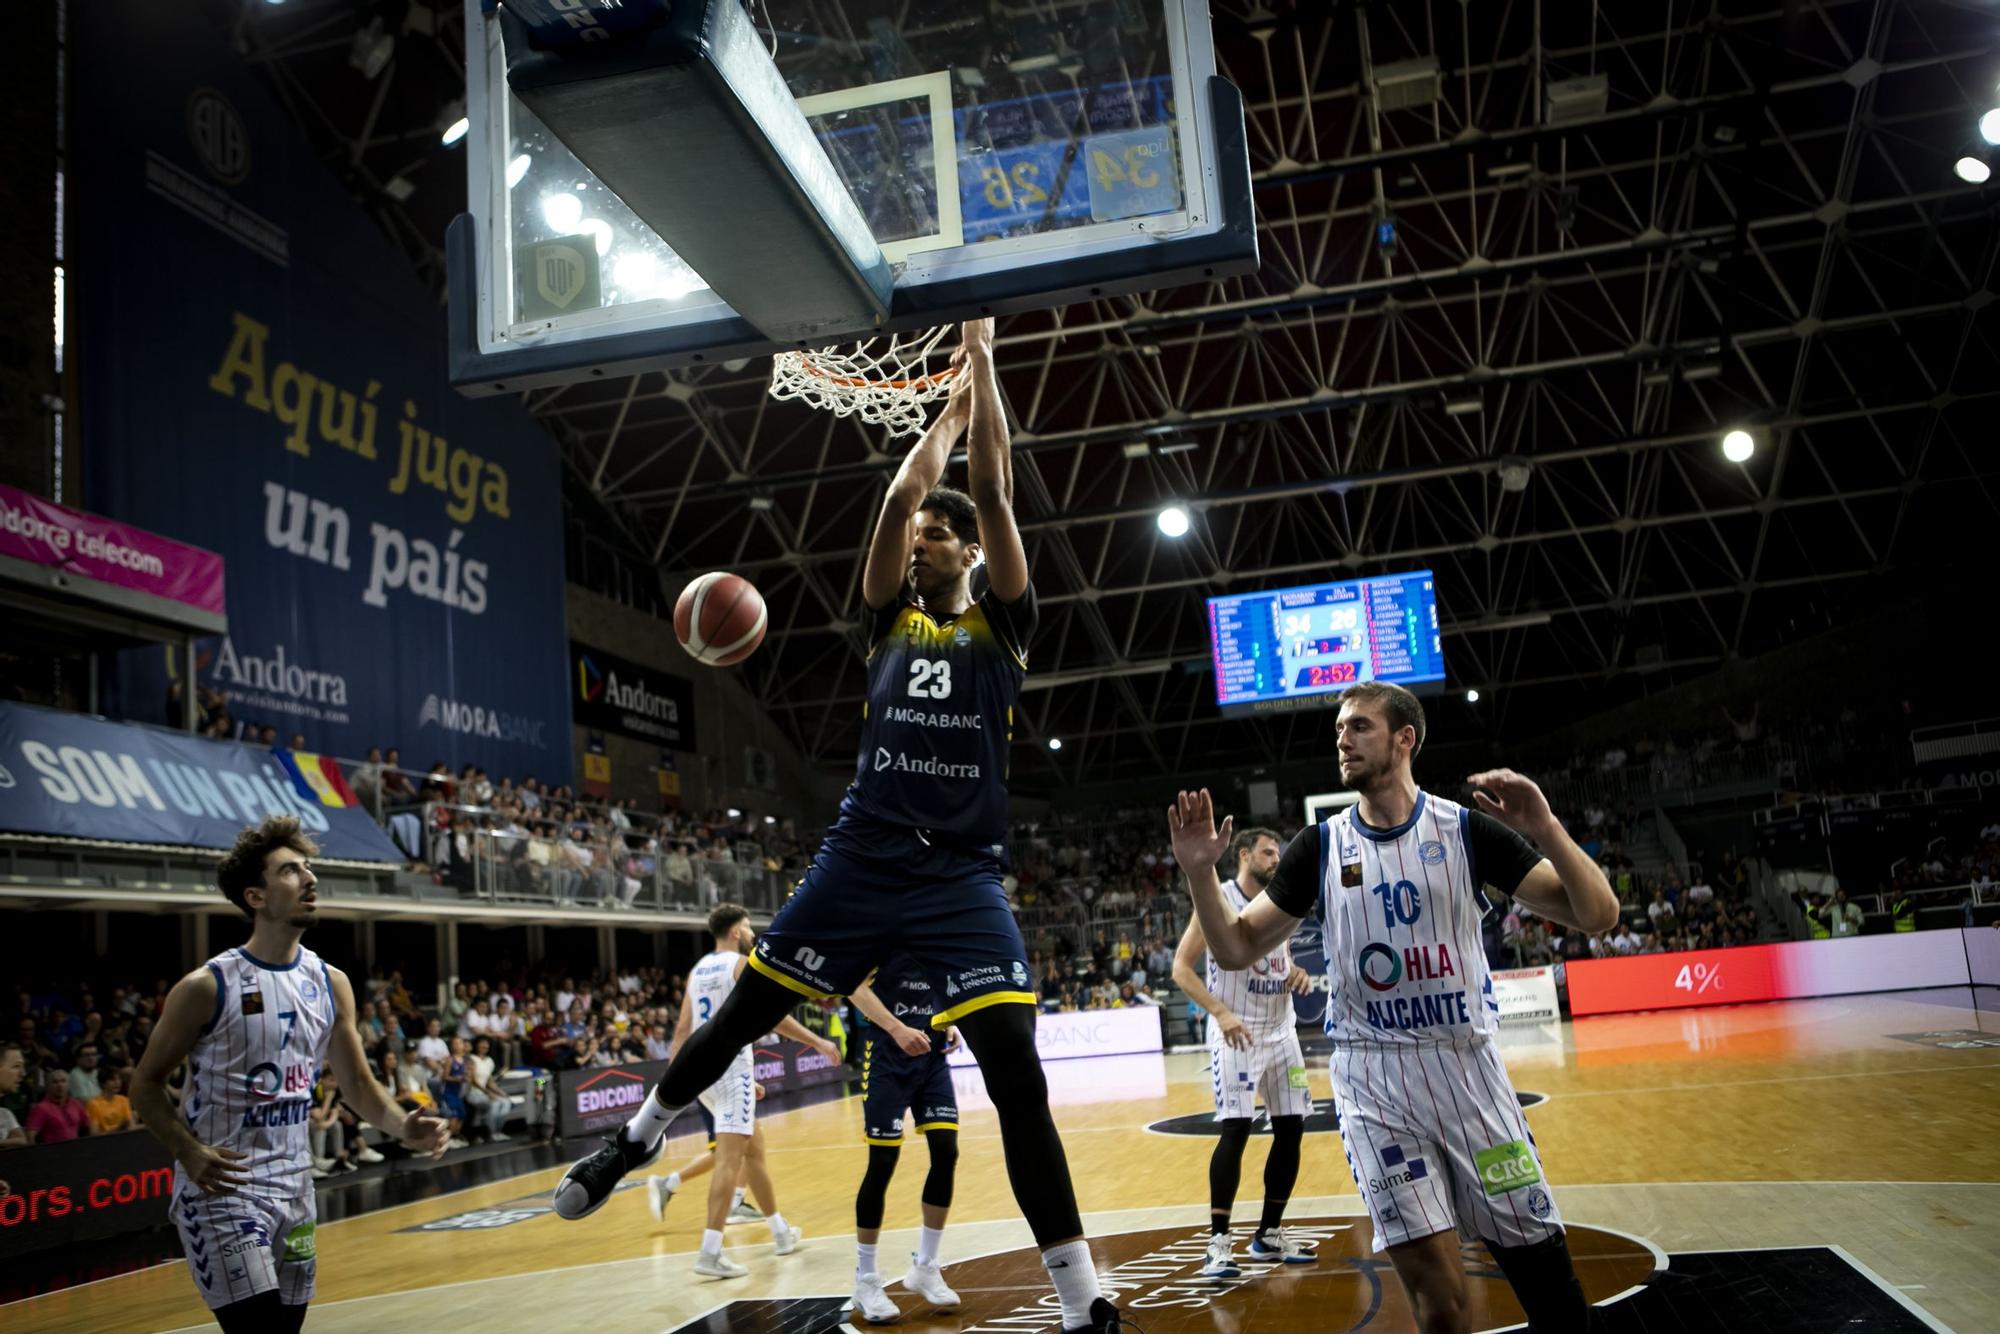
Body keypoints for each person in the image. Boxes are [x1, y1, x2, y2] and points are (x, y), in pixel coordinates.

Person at [554, 321, 1125, 1332]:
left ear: (968, 553)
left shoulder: (1001, 623)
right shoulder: (883, 619)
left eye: (936, 536)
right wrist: (938, 414)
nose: (921, 539)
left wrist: (981, 369)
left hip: (959, 877)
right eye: (918, 537)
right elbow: (903, 494)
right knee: (736, 1012)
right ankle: (636, 1136)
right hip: (859, 857)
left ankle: (1083, 1299)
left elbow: (991, 491)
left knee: (1018, 1079)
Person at [1166, 681, 1620, 1334]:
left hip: (1469, 1075)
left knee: (1544, 1275)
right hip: (1374, 1083)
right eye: (1339, 729)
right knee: (1438, 1305)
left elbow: (1598, 915)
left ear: (1405, 738)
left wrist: (1544, 826)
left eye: (1360, 727)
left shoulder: (1465, 831)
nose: (1342, 738)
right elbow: (1235, 947)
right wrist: (1199, 872)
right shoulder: (1319, 847)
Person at [129, 816, 450, 1333]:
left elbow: (359, 1086)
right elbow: (142, 1086)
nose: (309, 879)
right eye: (290, 871)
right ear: (255, 896)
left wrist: (402, 1126)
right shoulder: (206, 987)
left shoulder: (330, 982)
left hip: (296, 1190)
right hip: (223, 1191)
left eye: (308, 868)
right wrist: (188, 1151)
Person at [641, 904, 838, 1277]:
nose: (750, 934)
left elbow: (683, 1029)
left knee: (755, 1152)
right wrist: (817, 1042)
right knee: (730, 1160)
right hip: (730, 1069)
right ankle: (710, 1252)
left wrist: (681, 1077)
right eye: (747, 927)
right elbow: (773, 1016)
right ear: (734, 932)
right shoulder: (741, 964)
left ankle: (780, 1233)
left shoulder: (698, 970)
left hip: (704, 1072)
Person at [1170, 825, 1318, 1277]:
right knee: (1235, 1130)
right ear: (1244, 855)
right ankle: (1218, 1242)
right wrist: (1220, 1012)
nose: (1277, 860)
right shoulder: (1220, 902)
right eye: (1269, 853)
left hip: (1282, 1032)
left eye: (1279, 853)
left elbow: (1279, 956)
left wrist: (1295, 972)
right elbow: (1180, 969)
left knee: (1291, 1130)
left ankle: (1268, 1233)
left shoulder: (1280, 902)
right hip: (1237, 1033)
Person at [843, 953, 964, 1321]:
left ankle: (925, 1266)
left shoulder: (936, 932)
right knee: (882, 1163)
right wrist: (896, 1027)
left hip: (931, 1057)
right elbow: (851, 987)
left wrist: (951, 1019)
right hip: (885, 1057)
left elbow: (945, 985)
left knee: (946, 1151)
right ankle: (866, 1280)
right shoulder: (883, 930)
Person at [26, 1069, 90, 1143]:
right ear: (47, 1086)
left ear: (68, 1084)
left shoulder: (76, 1104)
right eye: (55, 1082)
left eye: (63, 1081)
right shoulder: (41, 1108)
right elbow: (30, 1135)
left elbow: (87, 1126)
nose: (60, 1085)